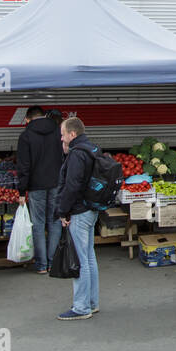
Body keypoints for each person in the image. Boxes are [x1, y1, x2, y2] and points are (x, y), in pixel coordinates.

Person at [55, 117, 102, 320]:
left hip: (79, 212)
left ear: (72, 134)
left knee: (80, 261)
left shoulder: (76, 154)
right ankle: (92, 302)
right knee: (89, 257)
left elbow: (72, 186)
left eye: (63, 134)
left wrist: (63, 212)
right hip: (91, 209)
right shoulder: (92, 149)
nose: (62, 138)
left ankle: (82, 307)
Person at [16, 105, 64, 274]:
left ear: (28, 119)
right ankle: (52, 262)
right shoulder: (58, 132)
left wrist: (22, 191)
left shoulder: (26, 136)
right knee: (55, 221)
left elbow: (24, 167)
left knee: (38, 223)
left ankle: (42, 265)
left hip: (36, 186)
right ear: (44, 116)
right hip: (56, 183)